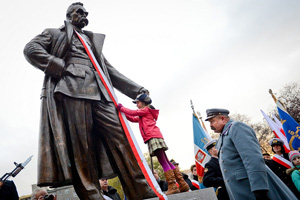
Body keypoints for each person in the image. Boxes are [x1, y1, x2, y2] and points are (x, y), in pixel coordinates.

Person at [23, 2, 155, 200]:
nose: (85, 15)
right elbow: (30, 49)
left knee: (121, 140)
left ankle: (140, 190)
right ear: (69, 15)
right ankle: (92, 194)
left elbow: (109, 71)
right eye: (80, 12)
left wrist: (137, 90)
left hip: (102, 93)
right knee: (81, 146)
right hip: (73, 90)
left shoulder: (91, 40)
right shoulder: (53, 33)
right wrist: (60, 66)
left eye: (86, 13)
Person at [206, 108, 298, 200]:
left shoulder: (236, 127)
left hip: (251, 189)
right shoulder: (222, 137)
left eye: (212, 121)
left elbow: (252, 159)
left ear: (222, 118)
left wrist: (259, 189)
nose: (211, 125)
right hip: (240, 191)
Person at [118, 95, 190, 195]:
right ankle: (182, 184)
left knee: (163, 162)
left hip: (152, 137)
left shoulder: (145, 110)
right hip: (155, 136)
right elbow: (133, 118)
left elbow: (132, 112)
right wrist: (122, 113)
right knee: (167, 161)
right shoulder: (143, 114)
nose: (137, 105)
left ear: (143, 102)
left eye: (138, 102)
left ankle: (173, 186)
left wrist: (121, 108)